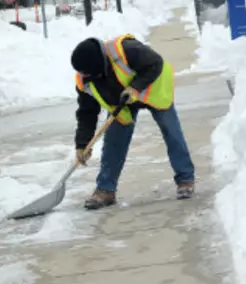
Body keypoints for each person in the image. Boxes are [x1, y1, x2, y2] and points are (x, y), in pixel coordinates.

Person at [71, 35, 195, 210]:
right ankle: (105, 190)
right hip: (122, 102)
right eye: (82, 73)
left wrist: (135, 88)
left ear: (98, 66)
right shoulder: (85, 79)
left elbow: (155, 63)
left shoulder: (125, 50)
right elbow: (87, 113)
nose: (84, 76)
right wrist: (83, 144)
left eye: (88, 73)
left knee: (171, 131)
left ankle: (185, 179)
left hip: (153, 90)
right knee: (113, 141)